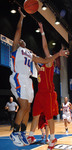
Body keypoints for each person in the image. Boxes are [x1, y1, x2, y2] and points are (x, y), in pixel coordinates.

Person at [9, 8, 68, 147]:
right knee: (29, 111)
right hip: (26, 83)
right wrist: (22, 18)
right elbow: (18, 33)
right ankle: (20, 133)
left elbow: (46, 57)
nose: (22, 40)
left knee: (33, 111)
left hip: (37, 87)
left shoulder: (38, 59)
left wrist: (56, 54)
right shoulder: (20, 52)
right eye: (20, 40)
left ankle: (33, 135)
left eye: (24, 41)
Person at [23, 23, 69, 149]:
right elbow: (37, 67)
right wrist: (33, 59)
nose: (47, 55)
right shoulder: (43, 66)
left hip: (48, 94)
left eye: (50, 55)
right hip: (40, 94)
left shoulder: (49, 63)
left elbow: (44, 47)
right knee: (36, 115)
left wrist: (42, 32)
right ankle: (31, 135)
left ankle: (53, 139)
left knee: (49, 117)